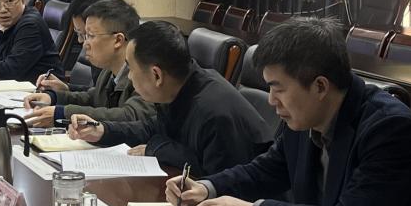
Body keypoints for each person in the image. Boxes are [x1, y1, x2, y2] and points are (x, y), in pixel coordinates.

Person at [166, 17, 411, 206]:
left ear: (320, 86)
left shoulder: (390, 130)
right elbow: (268, 169)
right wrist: (208, 187)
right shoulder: (306, 116)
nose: (271, 100)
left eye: (278, 88)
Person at [69, 20, 268, 174]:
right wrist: (103, 130)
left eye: (131, 68)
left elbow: (216, 176)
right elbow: (152, 128)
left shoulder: (215, 111)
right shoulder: (182, 85)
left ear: (156, 75)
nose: (129, 76)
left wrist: (157, 149)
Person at [24, 0, 155, 127]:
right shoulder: (108, 71)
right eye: (85, 35)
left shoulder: (143, 74)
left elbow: (129, 115)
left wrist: (62, 113)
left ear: (118, 40)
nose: (84, 43)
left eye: (91, 36)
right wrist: (53, 97)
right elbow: (93, 98)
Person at [30, 0, 116, 95]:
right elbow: (98, 95)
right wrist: (66, 88)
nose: (82, 42)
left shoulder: (128, 71)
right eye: (79, 34)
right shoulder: (101, 58)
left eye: (88, 35)